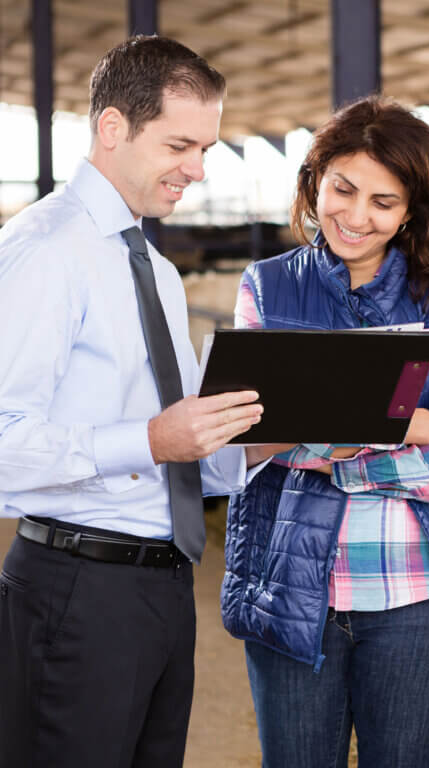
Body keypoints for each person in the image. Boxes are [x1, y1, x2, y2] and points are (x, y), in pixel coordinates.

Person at [223, 96, 429, 768]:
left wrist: (346, 460)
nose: (357, 217)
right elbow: (247, 433)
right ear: (315, 182)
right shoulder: (266, 289)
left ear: (409, 211)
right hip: (293, 586)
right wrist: (414, 423)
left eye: (383, 202)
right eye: (343, 190)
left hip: (417, 597)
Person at [0, 36, 264, 768]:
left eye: (206, 148)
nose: (198, 170)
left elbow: (181, 450)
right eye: (180, 144)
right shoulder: (46, 250)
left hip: (163, 588)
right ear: (112, 128)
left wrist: (257, 443)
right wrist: (148, 440)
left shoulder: (154, 267)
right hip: (78, 591)